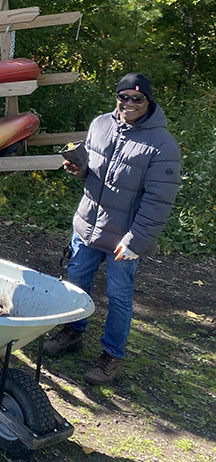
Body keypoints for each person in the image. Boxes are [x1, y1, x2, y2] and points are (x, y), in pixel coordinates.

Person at [43, 73, 180, 384]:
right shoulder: (101, 124)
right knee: (76, 283)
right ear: (116, 97)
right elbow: (91, 169)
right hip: (88, 227)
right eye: (124, 97)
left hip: (125, 238)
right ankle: (73, 331)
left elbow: (159, 201)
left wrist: (137, 240)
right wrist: (78, 169)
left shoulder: (163, 145)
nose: (129, 104)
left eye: (137, 99)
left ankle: (111, 356)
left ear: (148, 101)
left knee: (119, 296)